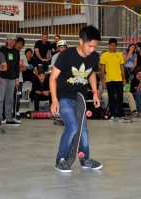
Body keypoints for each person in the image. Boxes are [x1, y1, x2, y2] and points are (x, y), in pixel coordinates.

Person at [50, 25, 102, 173]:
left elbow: (91, 73)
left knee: (83, 129)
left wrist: (95, 93)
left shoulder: (94, 56)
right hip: (64, 96)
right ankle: (61, 159)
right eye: (89, 46)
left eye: (94, 46)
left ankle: (85, 159)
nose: (92, 49)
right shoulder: (66, 55)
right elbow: (53, 77)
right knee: (72, 126)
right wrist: (54, 100)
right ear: (81, 41)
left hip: (80, 98)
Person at [0, 34, 20, 126]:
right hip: (3, 77)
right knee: (0, 98)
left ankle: (9, 119)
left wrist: (17, 78)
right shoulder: (1, 50)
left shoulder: (16, 52)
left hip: (12, 78)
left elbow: (16, 67)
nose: (12, 41)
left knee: (10, 99)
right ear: (7, 40)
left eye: (14, 40)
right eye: (10, 39)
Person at [100, 38, 126, 119]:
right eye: (111, 45)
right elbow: (102, 68)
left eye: (114, 45)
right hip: (109, 79)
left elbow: (122, 67)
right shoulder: (104, 55)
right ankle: (112, 113)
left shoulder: (120, 54)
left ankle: (120, 113)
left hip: (119, 79)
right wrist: (102, 80)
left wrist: (124, 78)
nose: (113, 47)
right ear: (109, 45)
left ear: (116, 46)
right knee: (111, 97)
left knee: (120, 97)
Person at [13, 37, 28, 122]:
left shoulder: (23, 55)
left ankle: (16, 114)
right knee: (10, 98)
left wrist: (17, 68)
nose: (20, 45)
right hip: (10, 79)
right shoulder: (10, 53)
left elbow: (25, 68)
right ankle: (7, 115)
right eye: (18, 43)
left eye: (22, 44)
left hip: (20, 79)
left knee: (17, 97)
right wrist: (18, 67)